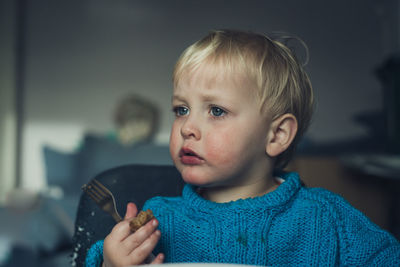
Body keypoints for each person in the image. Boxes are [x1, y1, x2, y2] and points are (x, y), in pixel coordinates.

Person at [85, 29, 400, 266]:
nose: (187, 128)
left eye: (217, 111)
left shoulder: (326, 218)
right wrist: (111, 261)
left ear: (276, 135)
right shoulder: (159, 218)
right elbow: (97, 258)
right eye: (181, 109)